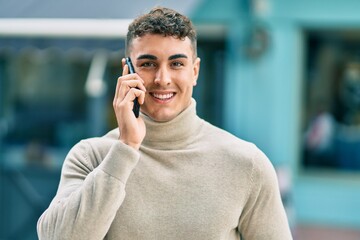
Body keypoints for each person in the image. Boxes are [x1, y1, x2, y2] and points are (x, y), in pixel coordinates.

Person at [37, 6, 293, 240]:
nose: (162, 78)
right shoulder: (90, 157)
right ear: (127, 71)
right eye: (148, 64)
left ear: (194, 72)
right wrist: (126, 146)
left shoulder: (247, 164)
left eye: (177, 64)